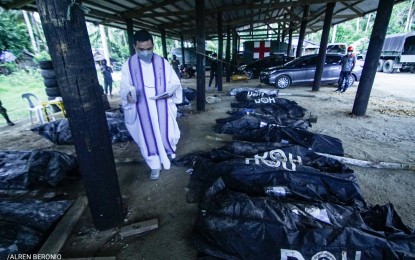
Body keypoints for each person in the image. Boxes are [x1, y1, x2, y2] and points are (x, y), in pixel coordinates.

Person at [120, 29, 182, 180]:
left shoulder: (162, 62)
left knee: (166, 132)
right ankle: (154, 165)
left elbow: (174, 82)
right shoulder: (128, 66)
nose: (146, 53)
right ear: (135, 47)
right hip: (142, 109)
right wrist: (128, 97)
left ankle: (168, 153)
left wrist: (171, 91)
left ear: (153, 45)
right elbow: (124, 89)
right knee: (147, 137)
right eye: (142, 49)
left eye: (149, 49)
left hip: (162, 106)